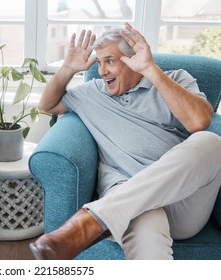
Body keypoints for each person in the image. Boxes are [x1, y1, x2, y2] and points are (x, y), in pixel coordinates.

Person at [29, 22, 221, 260]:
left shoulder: (176, 80)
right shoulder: (93, 92)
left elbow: (198, 122)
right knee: (145, 235)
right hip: (130, 202)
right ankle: (100, 218)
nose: (102, 71)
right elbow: (46, 106)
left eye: (110, 61)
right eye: (99, 63)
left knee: (211, 142)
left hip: (183, 201)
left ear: (133, 60)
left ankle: (92, 220)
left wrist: (151, 70)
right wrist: (68, 68)